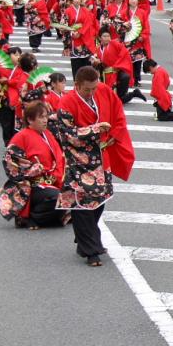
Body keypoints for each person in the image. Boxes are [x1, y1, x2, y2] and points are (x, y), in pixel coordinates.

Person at [54, 66, 135, 267]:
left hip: (101, 156)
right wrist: (95, 128)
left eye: (94, 88)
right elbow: (68, 135)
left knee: (99, 201)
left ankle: (85, 241)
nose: (91, 93)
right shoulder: (66, 103)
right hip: (78, 160)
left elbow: (117, 112)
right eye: (87, 89)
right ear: (77, 85)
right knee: (82, 205)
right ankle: (90, 250)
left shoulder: (102, 92)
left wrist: (113, 134)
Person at [0, 97, 69, 230]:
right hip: (33, 184)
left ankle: (49, 216)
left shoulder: (48, 134)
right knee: (58, 198)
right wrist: (33, 169)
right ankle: (30, 217)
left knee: (75, 195)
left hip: (51, 181)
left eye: (46, 116)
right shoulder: (22, 137)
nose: (45, 120)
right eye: (41, 117)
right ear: (30, 120)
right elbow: (10, 160)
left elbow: (60, 157)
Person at [92, 26, 143, 103]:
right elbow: (95, 62)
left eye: (108, 36)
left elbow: (125, 54)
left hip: (117, 70)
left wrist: (116, 66)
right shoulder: (98, 49)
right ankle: (133, 93)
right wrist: (95, 62)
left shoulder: (115, 44)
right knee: (112, 99)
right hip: (105, 73)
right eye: (104, 36)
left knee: (124, 79)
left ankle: (128, 94)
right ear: (100, 38)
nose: (107, 38)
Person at [62, 0, 97, 78]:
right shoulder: (68, 11)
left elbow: (88, 22)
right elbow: (64, 25)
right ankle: (77, 82)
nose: (77, 1)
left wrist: (80, 32)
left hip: (84, 37)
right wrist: (71, 31)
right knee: (76, 64)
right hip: (73, 38)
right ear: (71, 0)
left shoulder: (85, 10)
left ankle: (86, 83)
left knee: (86, 63)